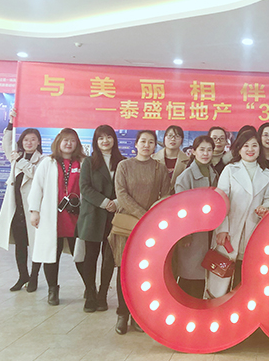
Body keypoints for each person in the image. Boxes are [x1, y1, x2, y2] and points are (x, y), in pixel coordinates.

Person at [112, 130, 171, 334]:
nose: (146, 145)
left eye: (151, 142)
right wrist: (142, 215)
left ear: (155, 146)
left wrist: (150, 217)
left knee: (143, 273)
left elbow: (166, 195)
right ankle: (122, 314)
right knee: (124, 270)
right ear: (136, 144)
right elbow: (121, 194)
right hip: (127, 225)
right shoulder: (124, 166)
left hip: (150, 228)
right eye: (143, 141)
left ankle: (138, 315)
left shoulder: (159, 168)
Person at [207, 129, 269, 298]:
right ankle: (218, 308)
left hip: (253, 230)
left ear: (259, 148)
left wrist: (264, 208)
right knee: (221, 277)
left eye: (254, 145)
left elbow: (268, 199)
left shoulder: (266, 174)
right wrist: (222, 228)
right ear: (239, 149)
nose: (250, 149)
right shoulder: (230, 170)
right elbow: (220, 201)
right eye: (246, 146)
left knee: (246, 276)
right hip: (229, 231)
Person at [28, 128, 86, 306]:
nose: (69, 143)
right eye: (65, 140)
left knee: (81, 255)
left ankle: (90, 287)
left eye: (72, 140)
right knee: (51, 255)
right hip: (52, 217)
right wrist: (34, 211)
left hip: (76, 217)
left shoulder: (83, 163)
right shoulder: (48, 162)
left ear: (77, 144)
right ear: (58, 142)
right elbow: (37, 187)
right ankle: (53, 290)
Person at [0, 110, 44, 292]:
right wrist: (10, 123)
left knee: (36, 245)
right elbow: (7, 143)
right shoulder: (15, 156)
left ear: (38, 142)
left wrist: (20, 160)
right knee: (20, 246)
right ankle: (23, 276)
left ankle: (34, 277)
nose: (29, 142)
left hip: (33, 211)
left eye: (33, 139)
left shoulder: (43, 160)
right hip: (16, 210)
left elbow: (34, 173)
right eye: (26, 140)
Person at [76, 125, 124, 312]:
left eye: (108, 137)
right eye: (101, 138)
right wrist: (105, 202)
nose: (105, 141)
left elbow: (127, 186)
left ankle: (103, 294)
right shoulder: (89, 162)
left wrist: (117, 202)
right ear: (96, 141)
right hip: (93, 215)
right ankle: (90, 293)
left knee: (109, 258)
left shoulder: (123, 161)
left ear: (114, 139)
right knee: (90, 256)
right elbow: (85, 187)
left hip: (115, 216)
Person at [174, 135, 218, 299]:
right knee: (188, 276)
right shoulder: (186, 177)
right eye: (202, 149)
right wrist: (185, 235)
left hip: (208, 233)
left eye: (209, 150)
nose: (205, 153)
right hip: (192, 235)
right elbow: (181, 210)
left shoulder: (214, 173)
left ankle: (195, 310)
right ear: (193, 151)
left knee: (200, 277)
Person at [152, 125, 190, 193]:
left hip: (179, 197)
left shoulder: (188, 161)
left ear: (181, 140)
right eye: (170, 136)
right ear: (164, 138)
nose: (173, 139)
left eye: (177, 136)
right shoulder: (152, 159)